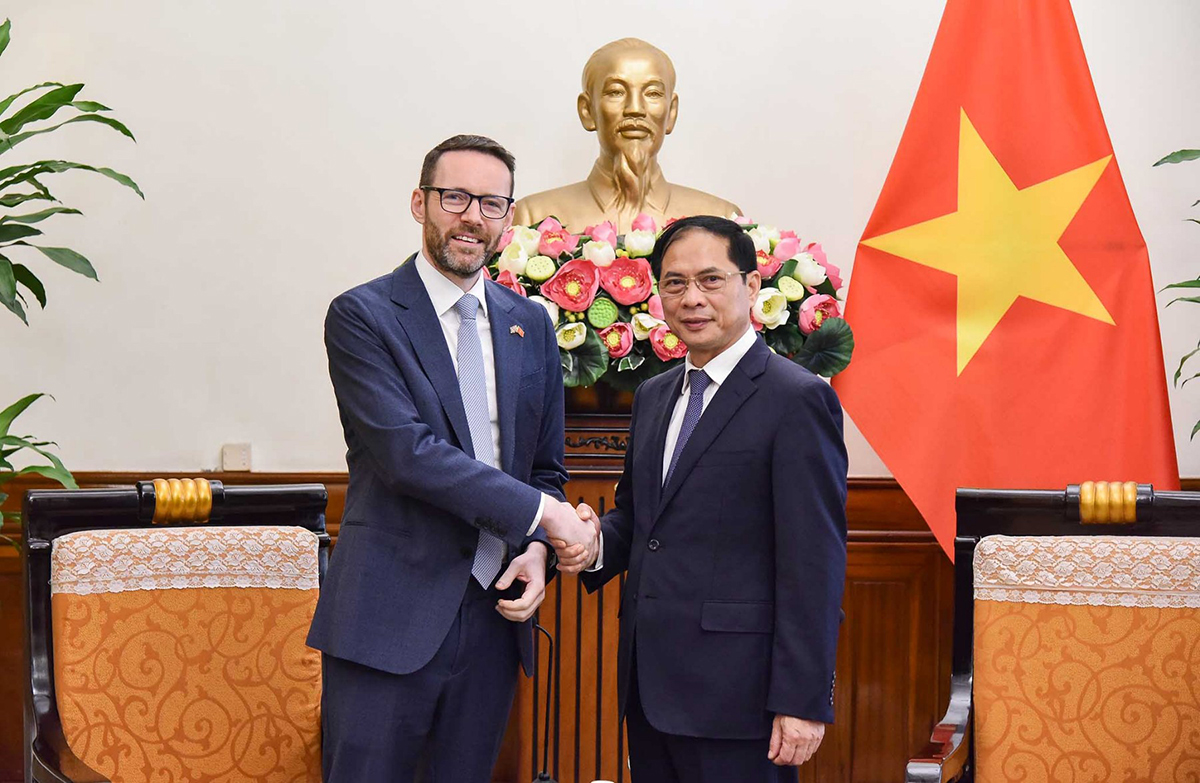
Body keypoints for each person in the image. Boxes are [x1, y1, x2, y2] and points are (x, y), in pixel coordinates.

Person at [308, 134, 598, 782]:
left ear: (508, 217)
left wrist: (537, 551)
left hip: (495, 618)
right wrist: (548, 517)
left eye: (491, 203)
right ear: (420, 203)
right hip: (388, 619)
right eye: (456, 197)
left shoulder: (531, 324)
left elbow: (545, 469)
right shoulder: (364, 315)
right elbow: (406, 454)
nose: (473, 217)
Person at [561, 215, 848, 780]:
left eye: (711, 280)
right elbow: (641, 519)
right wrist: (591, 544)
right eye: (674, 283)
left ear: (752, 286)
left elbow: (814, 561)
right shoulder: (654, 395)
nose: (691, 298)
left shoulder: (796, 399)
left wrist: (802, 699)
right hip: (649, 687)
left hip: (743, 699)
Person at [512, 38, 740, 234]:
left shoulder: (722, 219)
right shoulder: (533, 218)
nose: (635, 109)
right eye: (616, 92)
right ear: (587, 111)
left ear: (671, 112)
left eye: (653, 93)